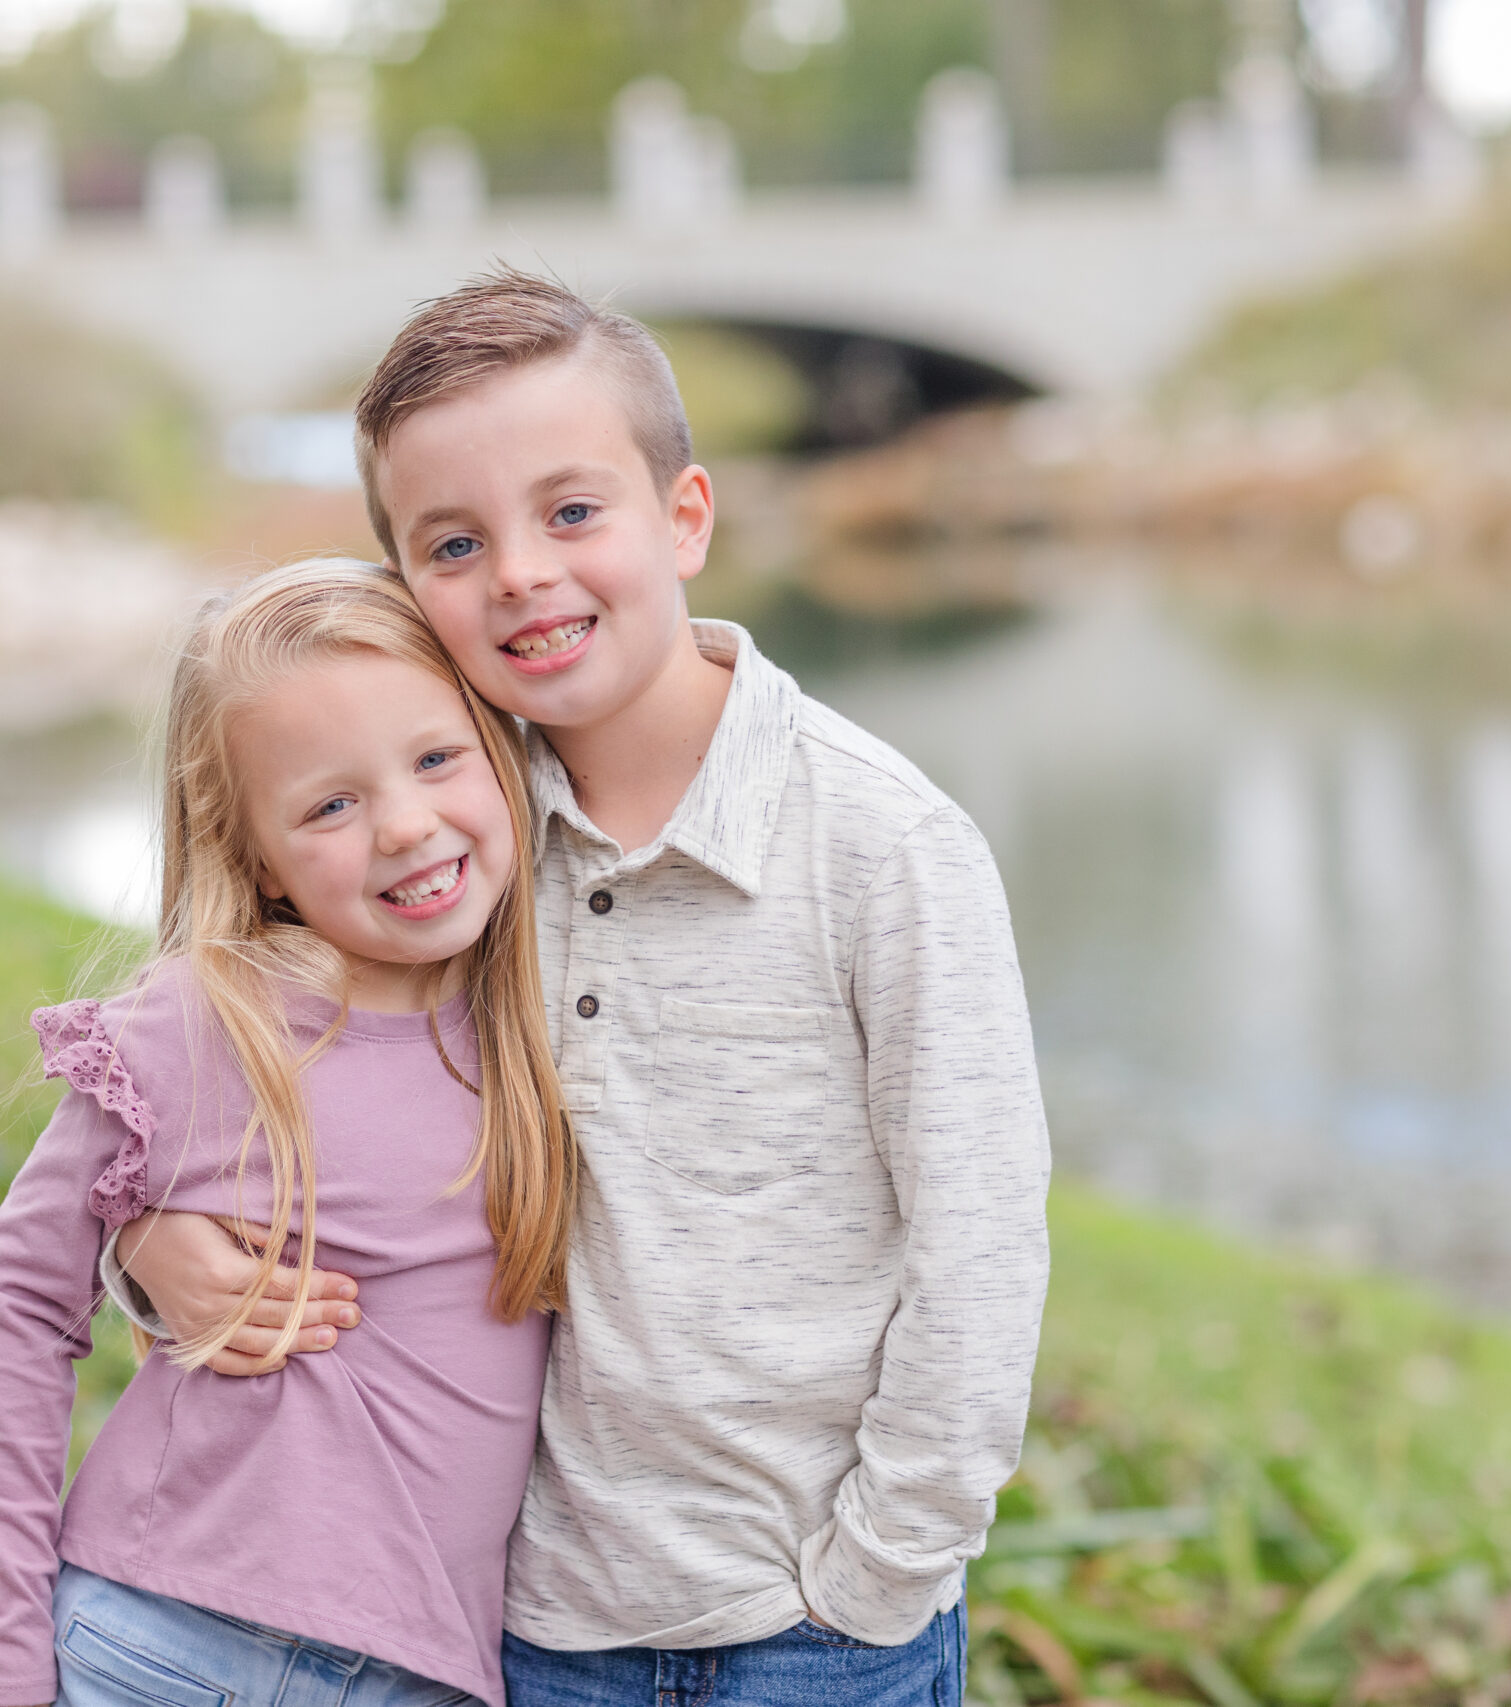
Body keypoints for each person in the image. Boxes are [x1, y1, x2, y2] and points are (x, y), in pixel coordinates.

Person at [115, 272, 1053, 1707]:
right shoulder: (449, 849)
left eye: (571, 513)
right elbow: (270, 1082)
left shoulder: (883, 845)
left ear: (684, 517)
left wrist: (879, 1572)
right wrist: (157, 1244)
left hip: (819, 1627)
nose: (521, 576)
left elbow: (979, 1252)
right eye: (454, 541)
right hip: (535, 1623)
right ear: (408, 591)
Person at [0, 557, 581, 1707]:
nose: (405, 825)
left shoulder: (547, 1009)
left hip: (425, 1671)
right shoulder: (202, 1018)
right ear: (256, 859)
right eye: (329, 805)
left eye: (436, 758)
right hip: (171, 1649)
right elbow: (19, 1305)